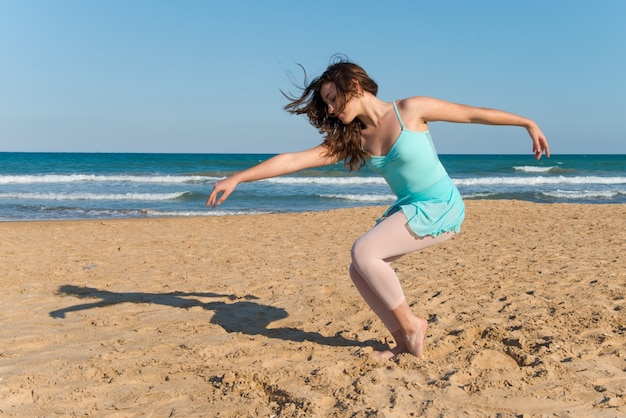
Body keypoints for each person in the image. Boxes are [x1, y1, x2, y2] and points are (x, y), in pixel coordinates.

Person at [206, 57, 550, 360]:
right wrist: (239, 178)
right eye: (326, 104)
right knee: (359, 269)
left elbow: (472, 114)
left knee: (364, 252)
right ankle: (403, 340)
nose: (330, 109)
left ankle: (413, 325)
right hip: (410, 206)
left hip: (440, 205)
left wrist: (527, 123)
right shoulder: (354, 139)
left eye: (332, 99)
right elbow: (296, 159)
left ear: (353, 86)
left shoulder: (411, 109)